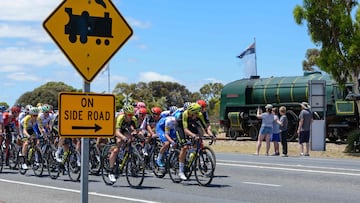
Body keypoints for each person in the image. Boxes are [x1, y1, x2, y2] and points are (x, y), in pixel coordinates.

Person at [177, 103, 211, 180]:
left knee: (198, 138)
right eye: (196, 113)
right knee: (184, 147)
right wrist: (193, 135)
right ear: (192, 113)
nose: (198, 114)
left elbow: (205, 128)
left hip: (190, 125)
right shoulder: (185, 114)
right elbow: (185, 130)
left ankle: (190, 160)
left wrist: (211, 135)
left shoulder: (199, 114)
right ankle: (180, 171)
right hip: (180, 127)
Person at [108, 104, 138, 182]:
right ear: (125, 114)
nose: (131, 116)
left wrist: (140, 136)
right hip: (114, 129)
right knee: (117, 145)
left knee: (130, 139)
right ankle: (111, 171)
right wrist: (123, 138)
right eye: (129, 115)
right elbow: (117, 132)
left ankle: (123, 158)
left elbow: (136, 130)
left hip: (124, 130)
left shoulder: (134, 119)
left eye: (132, 114)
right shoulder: (120, 118)